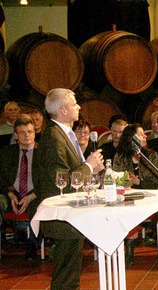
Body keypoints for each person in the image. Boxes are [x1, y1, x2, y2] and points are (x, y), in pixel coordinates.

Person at [33, 88, 105, 289]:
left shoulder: (63, 134)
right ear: (63, 110)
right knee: (65, 276)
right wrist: (89, 165)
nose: (79, 106)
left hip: (72, 215)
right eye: (75, 104)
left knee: (71, 274)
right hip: (63, 216)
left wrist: (90, 168)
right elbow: (61, 180)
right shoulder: (54, 137)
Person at [113, 123, 158, 266]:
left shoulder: (151, 155)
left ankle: (130, 247)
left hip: (147, 195)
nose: (145, 136)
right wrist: (126, 181)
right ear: (131, 138)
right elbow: (116, 178)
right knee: (125, 207)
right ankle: (128, 248)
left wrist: (138, 181)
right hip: (126, 195)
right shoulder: (120, 156)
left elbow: (156, 182)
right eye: (140, 134)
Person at [0, 116, 39, 260]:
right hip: (11, 193)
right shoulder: (6, 152)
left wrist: (30, 196)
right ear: (16, 135)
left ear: (34, 133)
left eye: (30, 131)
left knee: (40, 205)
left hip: (35, 193)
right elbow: (1, 177)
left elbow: (46, 180)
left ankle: (32, 244)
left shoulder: (43, 153)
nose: (27, 135)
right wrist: (10, 194)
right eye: (22, 132)